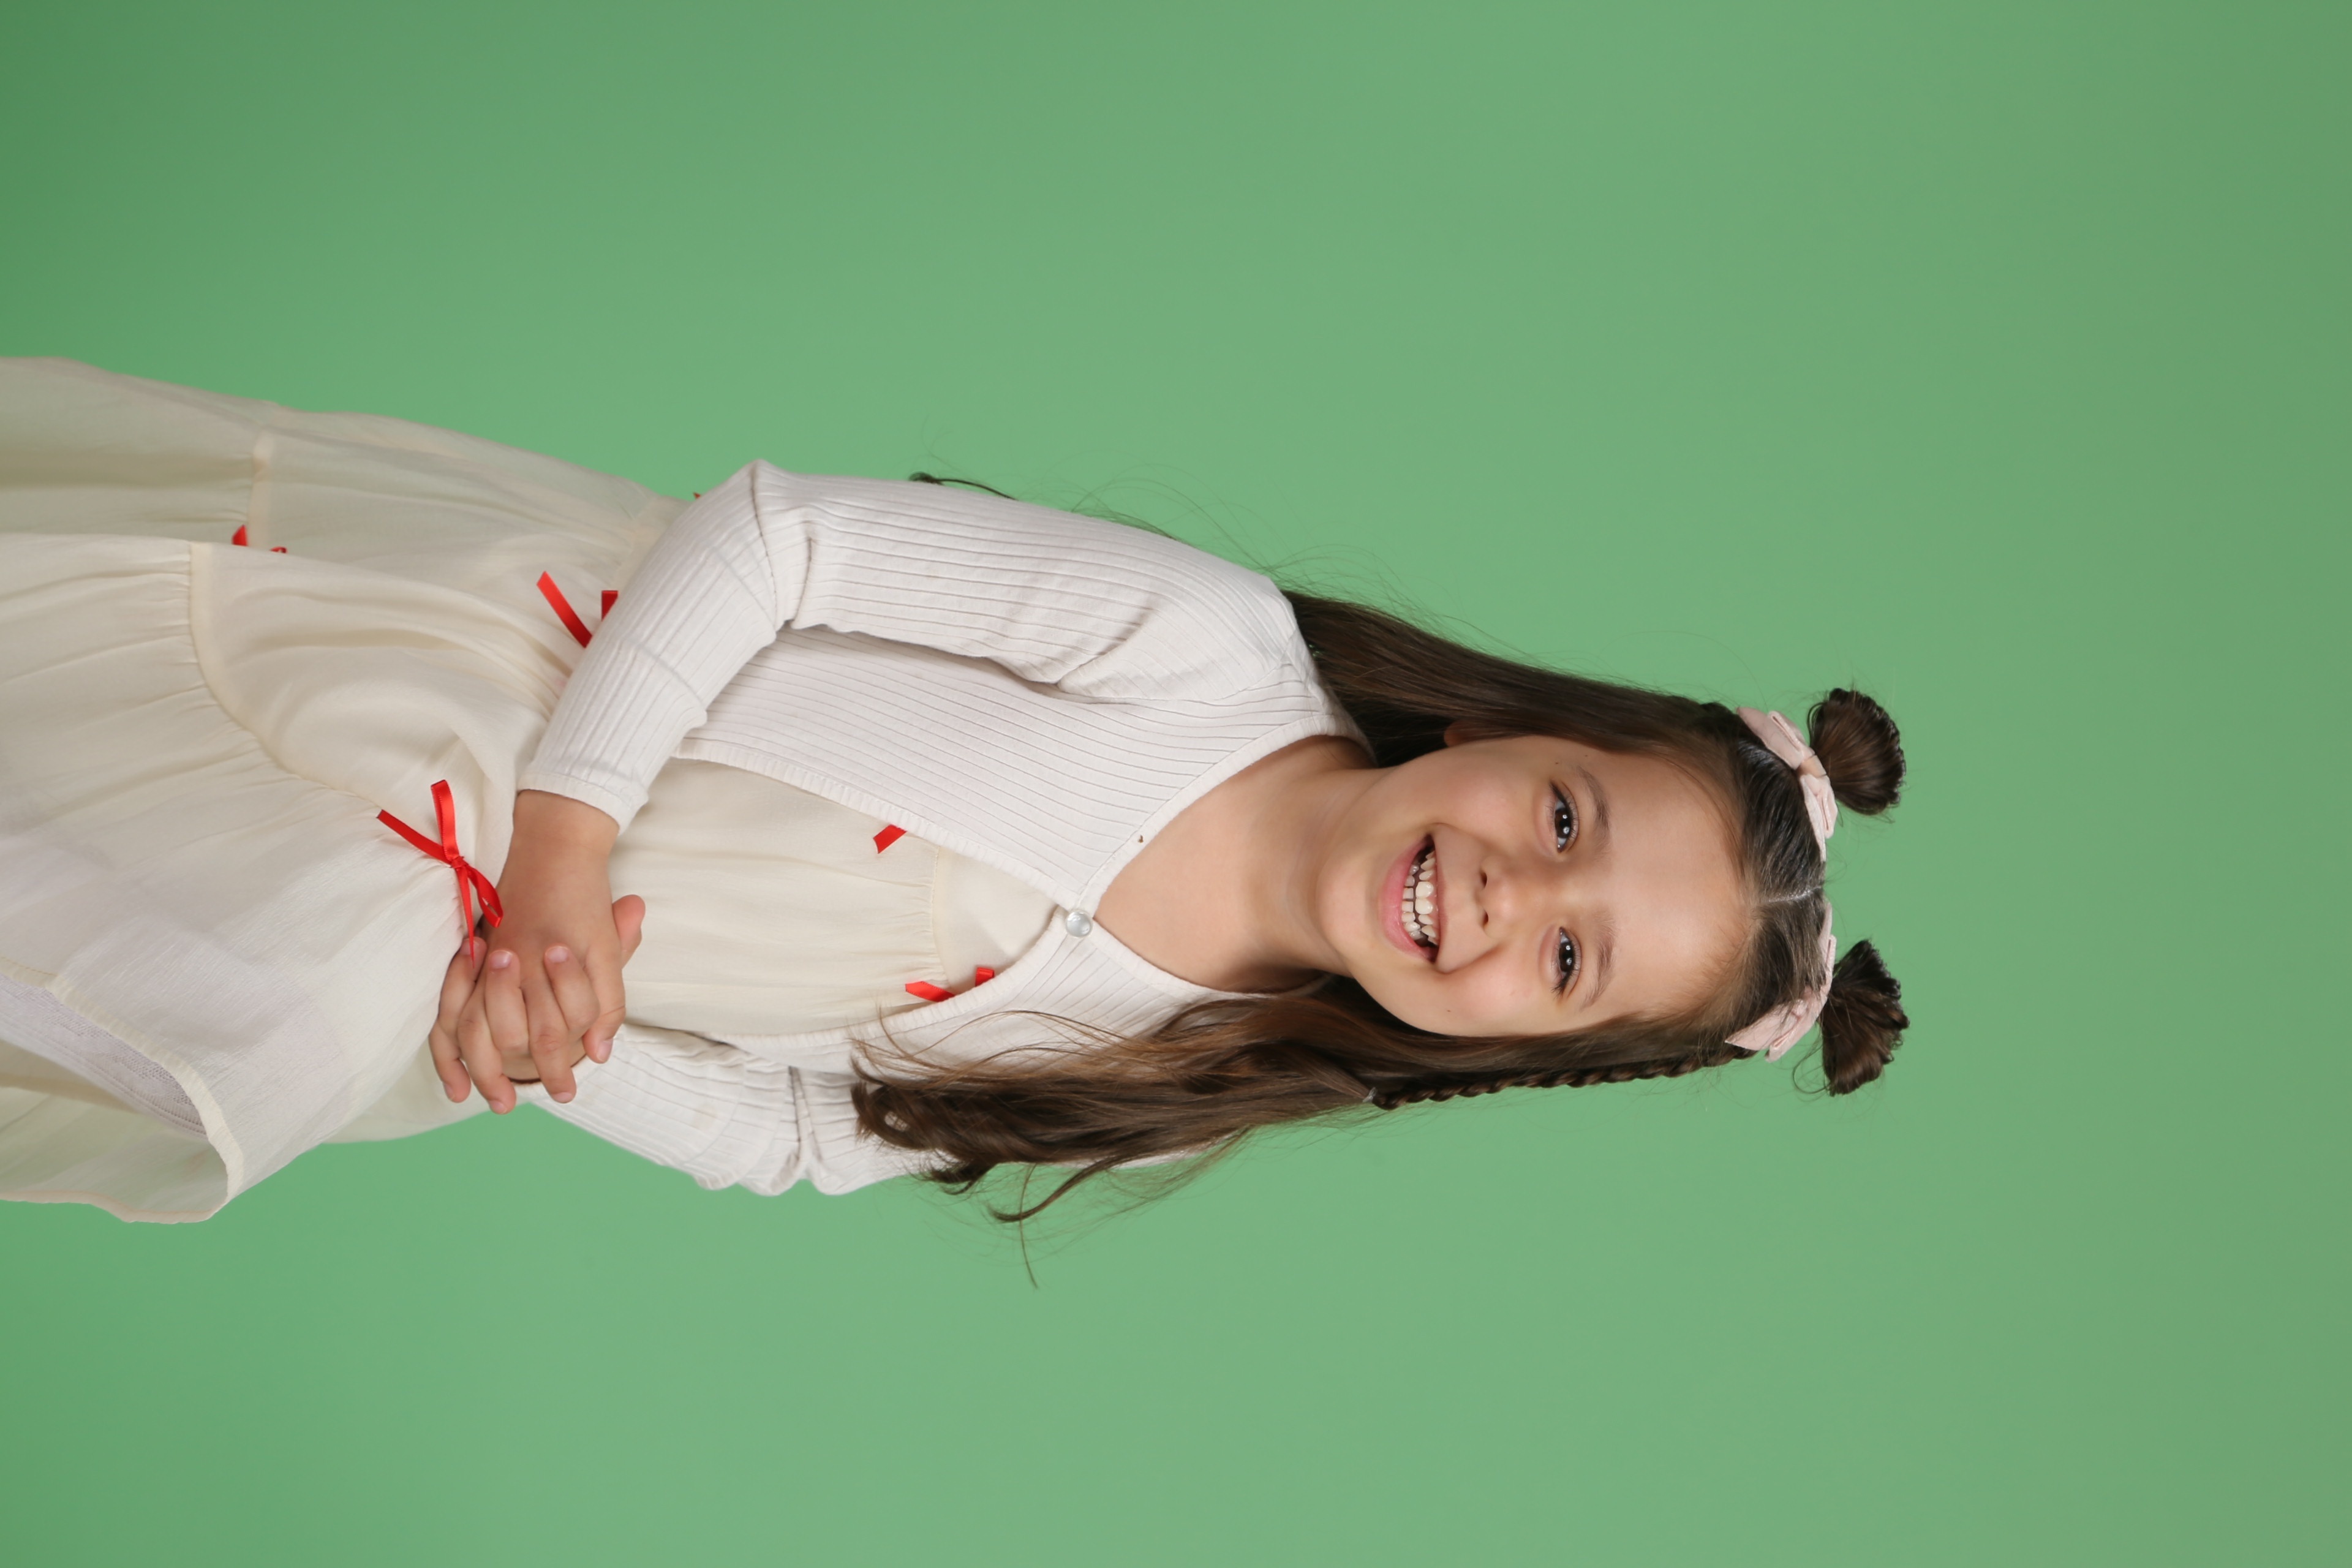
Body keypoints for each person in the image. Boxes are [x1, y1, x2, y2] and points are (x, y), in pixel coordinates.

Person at [0, 358, 1909, 1225]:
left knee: (210, 1020)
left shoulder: (1182, 1070)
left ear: (1515, 1049)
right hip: (504, 694)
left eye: (1569, 962)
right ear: (1514, 731)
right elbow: (780, 542)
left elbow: (803, 1131)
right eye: (1565, 822)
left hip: (463, 946)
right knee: (233, 966)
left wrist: (560, 1031)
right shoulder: (1204, 653)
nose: (1508, 895)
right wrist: (565, 840)